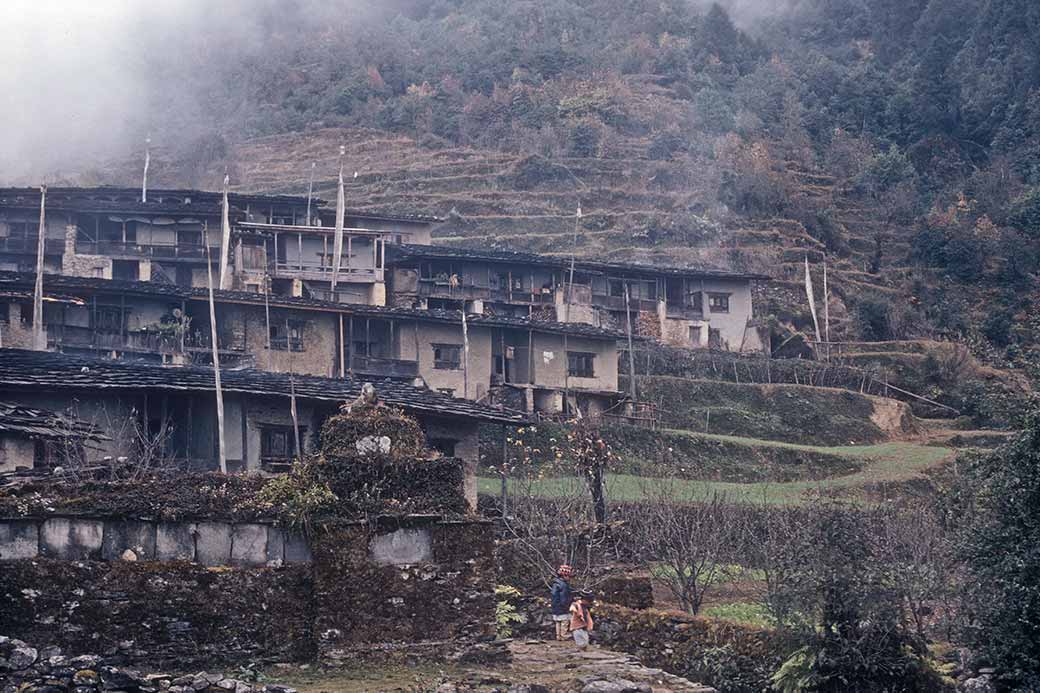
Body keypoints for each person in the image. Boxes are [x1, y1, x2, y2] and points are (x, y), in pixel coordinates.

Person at [550, 564, 574, 641]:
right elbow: (564, 597)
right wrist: (567, 606)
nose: (569, 578)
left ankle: (558, 636)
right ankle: (564, 635)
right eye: (568, 576)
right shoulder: (563, 585)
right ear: (564, 576)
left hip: (555, 606)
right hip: (562, 607)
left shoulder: (555, 583)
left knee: (558, 622)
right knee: (564, 621)